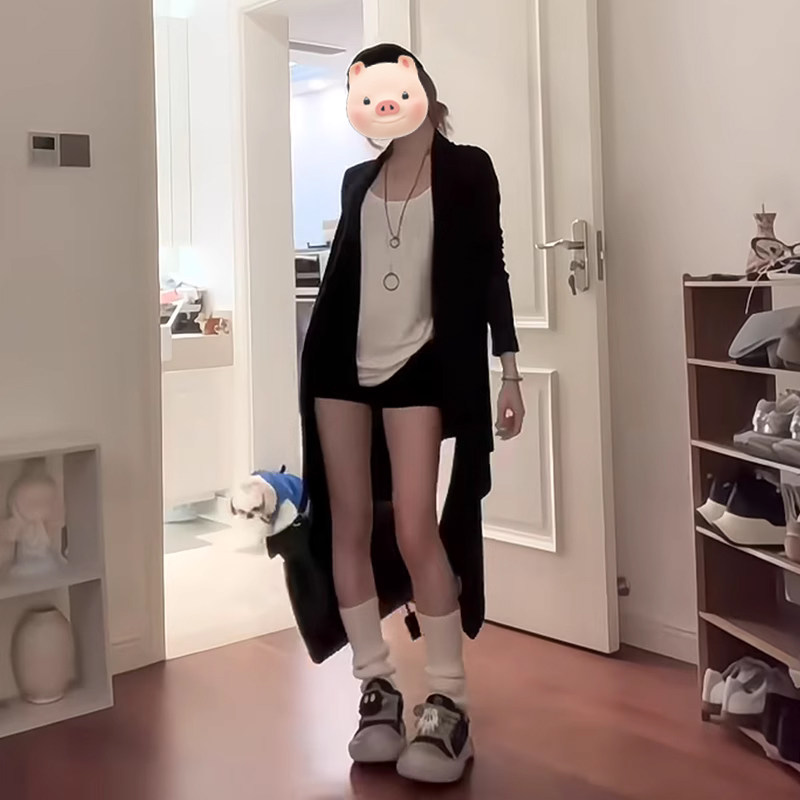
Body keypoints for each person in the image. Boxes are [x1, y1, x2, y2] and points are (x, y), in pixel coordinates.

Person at [299, 42, 524, 785]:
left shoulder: (468, 170)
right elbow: (346, 277)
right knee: (347, 523)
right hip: (339, 365)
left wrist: (509, 370)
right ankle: (378, 688)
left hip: (422, 365)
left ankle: (449, 702)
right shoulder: (356, 180)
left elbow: (490, 270)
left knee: (414, 527)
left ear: (420, 86)